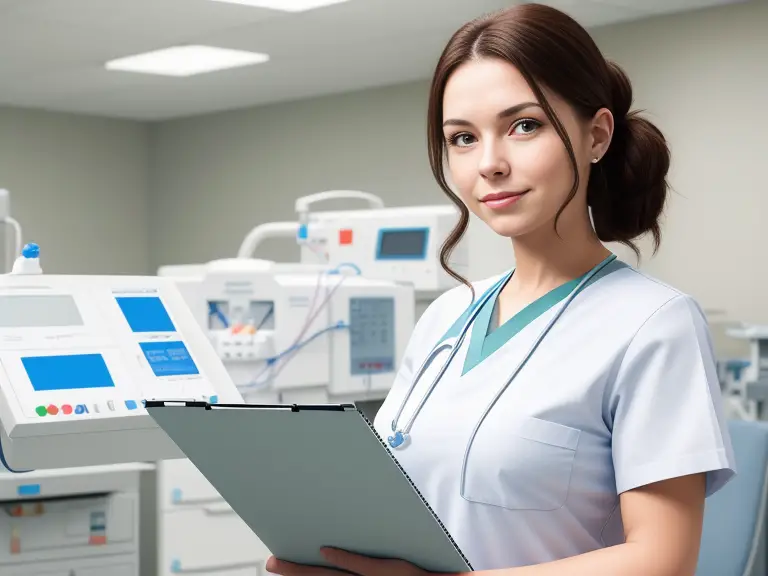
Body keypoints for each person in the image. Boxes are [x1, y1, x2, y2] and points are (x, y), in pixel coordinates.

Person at [265, 3, 736, 575]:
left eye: (524, 126)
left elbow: (663, 561)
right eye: (462, 138)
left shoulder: (654, 324)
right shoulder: (446, 317)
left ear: (597, 135)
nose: (489, 164)